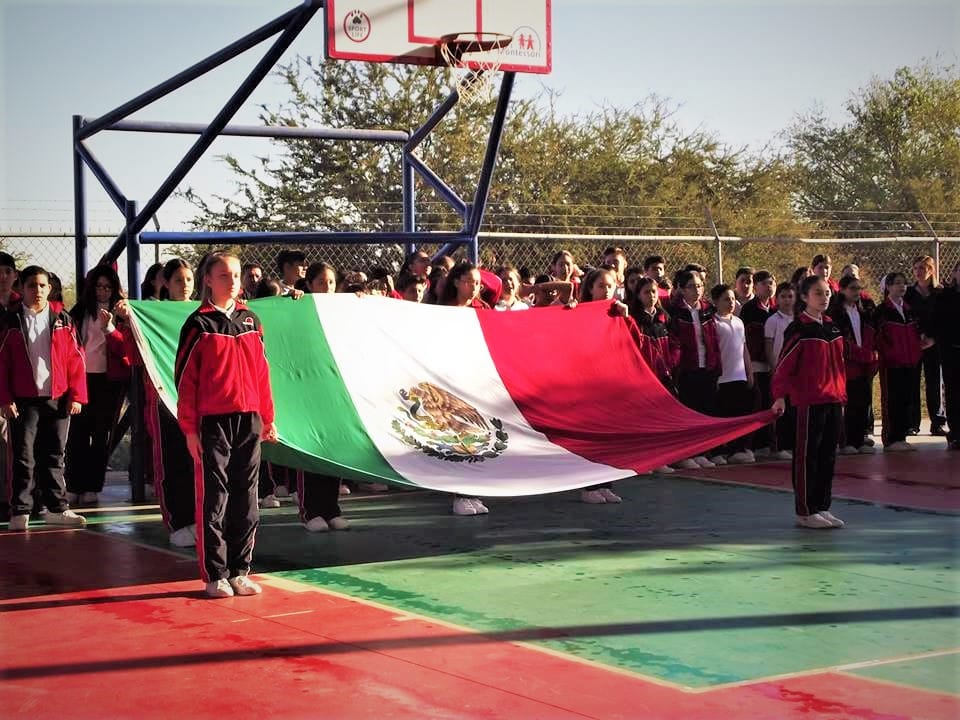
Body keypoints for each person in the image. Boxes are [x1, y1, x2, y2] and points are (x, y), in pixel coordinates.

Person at [175, 252, 277, 598]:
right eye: (223, 275)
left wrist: (267, 417)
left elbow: (262, 374)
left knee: (246, 498)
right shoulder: (198, 325)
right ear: (208, 279)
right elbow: (185, 382)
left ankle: (240, 570)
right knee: (214, 497)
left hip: (249, 420)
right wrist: (189, 429)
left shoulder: (251, 321)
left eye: (235, 275)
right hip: (212, 423)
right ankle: (214, 574)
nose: (232, 281)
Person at [1, 266, 88, 530]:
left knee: (55, 454)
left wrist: (76, 395)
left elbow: (76, 359)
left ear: (49, 289)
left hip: (58, 399)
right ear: (22, 289)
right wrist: (4, 399)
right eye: (31, 286)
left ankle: (56, 508)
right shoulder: (10, 321)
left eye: (42, 286)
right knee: (24, 457)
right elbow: (1, 363)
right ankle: (21, 510)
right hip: (23, 401)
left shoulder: (63, 319)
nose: (37, 291)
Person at [771, 276, 846, 529]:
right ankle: (804, 510)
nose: (824, 297)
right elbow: (783, 366)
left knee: (827, 456)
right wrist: (779, 396)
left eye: (827, 293)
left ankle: (822, 506)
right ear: (804, 297)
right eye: (818, 293)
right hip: (808, 401)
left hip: (833, 399)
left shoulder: (832, 327)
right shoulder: (799, 329)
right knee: (807, 456)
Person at [65, 265, 130, 504]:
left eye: (107, 287)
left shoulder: (122, 313)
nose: (103, 292)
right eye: (99, 286)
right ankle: (73, 484)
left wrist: (110, 328)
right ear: (91, 288)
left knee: (102, 435)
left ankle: (93, 485)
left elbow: (126, 349)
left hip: (109, 381)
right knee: (77, 435)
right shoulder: (80, 312)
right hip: (82, 379)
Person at [442, 263, 492, 516]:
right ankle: (458, 494)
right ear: (455, 282)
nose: (474, 287)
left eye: (477, 283)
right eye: (469, 281)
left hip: (477, 383)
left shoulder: (482, 309)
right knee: (457, 439)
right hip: (450, 384)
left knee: (477, 437)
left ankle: (473, 491)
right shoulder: (439, 311)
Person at [579, 267, 629, 502]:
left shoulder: (617, 312)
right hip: (588, 384)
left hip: (610, 383)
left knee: (610, 436)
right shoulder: (579, 312)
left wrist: (625, 318)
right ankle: (589, 487)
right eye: (601, 286)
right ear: (590, 288)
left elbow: (632, 344)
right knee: (591, 437)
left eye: (609, 286)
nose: (606, 290)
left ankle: (606, 482)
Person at [668, 269, 721, 469]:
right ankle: (686, 453)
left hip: (707, 366)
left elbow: (714, 339)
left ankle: (702, 451)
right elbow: (675, 342)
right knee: (689, 410)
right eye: (691, 287)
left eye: (699, 286)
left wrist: (716, 364)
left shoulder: (708, 308)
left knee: (705, 409)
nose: (696, 290)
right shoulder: (675, 311)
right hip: (687, 368)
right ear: (681, 289)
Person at [875, 272, 931, 452]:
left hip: (910, 362)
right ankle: (891, 438)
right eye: (897, 283)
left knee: (907, 400)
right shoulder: (883, 311)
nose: (901, 287)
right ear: (888, 287)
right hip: (892, 363)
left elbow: (916, 334)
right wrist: (889, 355)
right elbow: (880, 338)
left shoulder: (909, 310)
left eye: (904, 284)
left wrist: (918, 349)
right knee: (893, 400)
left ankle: (902, 435)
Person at [831, 275, 878, 454]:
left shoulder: (862, 312)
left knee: (863, 401)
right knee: (849, 403)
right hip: (848, 364)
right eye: (852, 288)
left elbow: (868, 335)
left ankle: (859, 440)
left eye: (858, 288)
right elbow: (842, 341)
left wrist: (870, 355)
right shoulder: (837, 313)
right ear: (842, 290)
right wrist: (861, 354)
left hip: (864, 364)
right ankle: (847, 441)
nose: (856, 292)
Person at [709, 284, 755, 465]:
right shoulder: (713, 323)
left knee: (740, 414)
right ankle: (720, 450)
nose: (731, 303)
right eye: (726, 299)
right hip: (723, 377)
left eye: (732, 299)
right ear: (715, 302)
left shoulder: (738, 322)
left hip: (739, 376)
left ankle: (738, 448)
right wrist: (715, 376)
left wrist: (749, 372)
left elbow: (744, 349)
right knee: (722, 415)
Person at [904, 255, 946, 436]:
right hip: (914, 344)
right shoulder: (908, 293)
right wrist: (917, 337)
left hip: (934, 344)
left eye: (922, 267)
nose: (919, 272)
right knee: (912, 382)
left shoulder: (940, 292)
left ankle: (937, 422)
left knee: (934, 382)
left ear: (931, 270)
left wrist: (933, 338)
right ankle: (912, 423)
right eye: (916, 268)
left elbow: (946, 319)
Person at [740, 270, 776, 456]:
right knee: (757, 402)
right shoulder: (750, 310)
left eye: (771, 283)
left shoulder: (775, 309)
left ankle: (767, 444)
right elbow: (748, 339)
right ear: (756, 286)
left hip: (774, 364)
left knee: (770, 403)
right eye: (764, 283)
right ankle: (752, 444)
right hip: (756, 363)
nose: (768, 287)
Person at [764, 282, 797, 460]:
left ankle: (793, 444)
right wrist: (774, 367)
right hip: (780, 371)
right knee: (780, 410)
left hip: (797, 374)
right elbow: (769, 346)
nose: (787, 300)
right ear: (777, 299)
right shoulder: (773, 321)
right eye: (783, 296)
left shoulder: (800, 320)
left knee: (795, 409)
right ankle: (779, 446)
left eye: (790, 296)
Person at [0, 252, 21, 521]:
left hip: (21, 388)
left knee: (17, 446)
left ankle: (14, 497)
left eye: (7, 270)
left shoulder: (22, 306)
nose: (3, 276)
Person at [932, 261, 959, 450]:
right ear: (955, 273)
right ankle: (956, 433)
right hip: (952, 350)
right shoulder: (945, 296)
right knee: (954, 391)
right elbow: (938, 322)